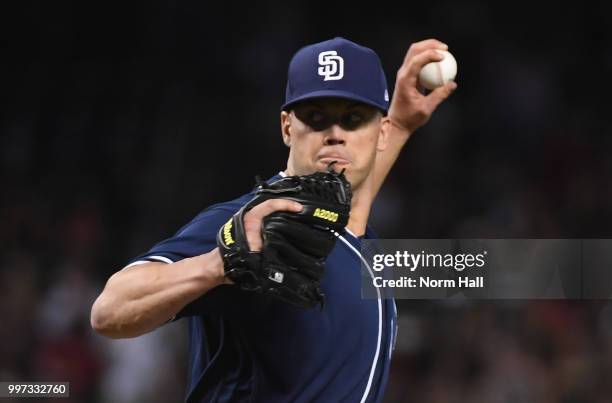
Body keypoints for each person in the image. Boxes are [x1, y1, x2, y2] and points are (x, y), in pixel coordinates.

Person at [91, 37, 456, 402]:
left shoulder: (347, 229)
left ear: (381, 131)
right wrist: (219, 264)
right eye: (315, 119)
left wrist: (404, 124)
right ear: (286, 127)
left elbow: (352, 207)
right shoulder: (255, 222)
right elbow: (109, 310)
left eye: (354, 119)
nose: (335, 135)